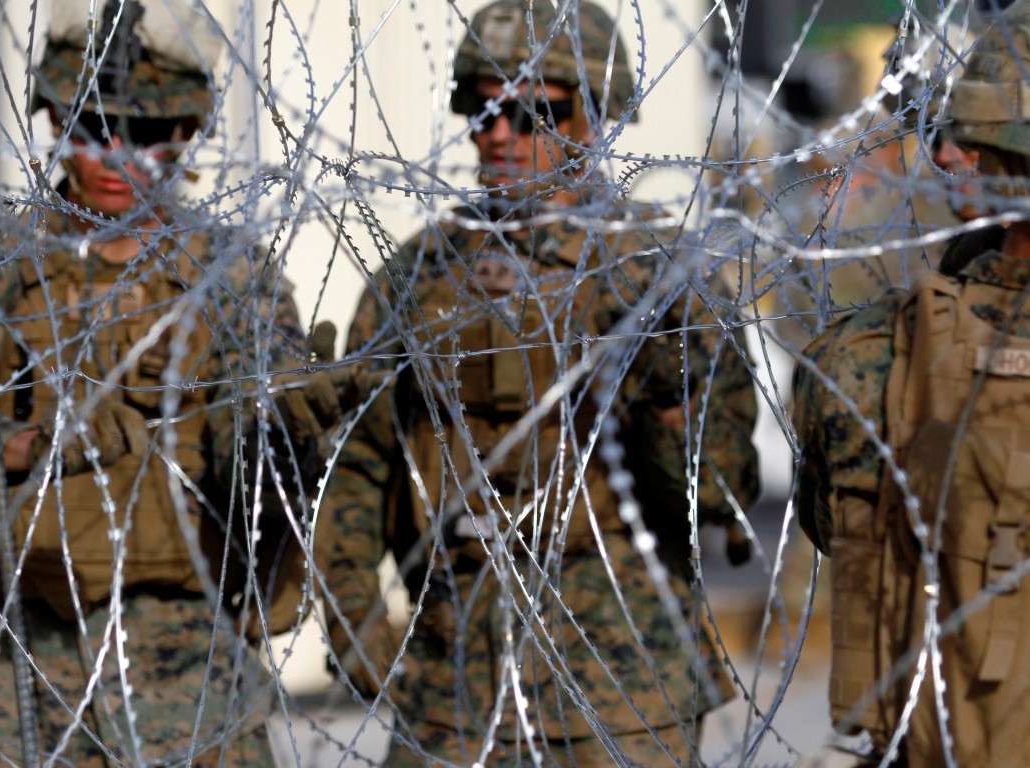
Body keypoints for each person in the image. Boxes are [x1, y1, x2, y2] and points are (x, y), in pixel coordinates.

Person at [0, 1, 351, 764]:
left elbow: (258, 462)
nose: (115, 153)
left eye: (144, 133)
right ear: (51, 118)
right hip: (26, 672)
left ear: (185, 133)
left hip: (193, 668)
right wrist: (2, 449)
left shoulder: (230, 276)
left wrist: (284, 430)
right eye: (89, 124)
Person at [314, 1, 760, 765]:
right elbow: (355, 474)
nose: (498, 134)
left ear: (593, 118)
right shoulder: (418, 279)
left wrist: (657, 387)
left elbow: (717, 489)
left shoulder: (654, 275)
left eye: (531, 113)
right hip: (453, 675)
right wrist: (359, 629)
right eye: (480, 109)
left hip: (617, 675)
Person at [795, 2, 1030, 764]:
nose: (945, 158)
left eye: (968, 137)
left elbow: (831, 529)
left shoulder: (874, 351)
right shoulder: (882, 348)